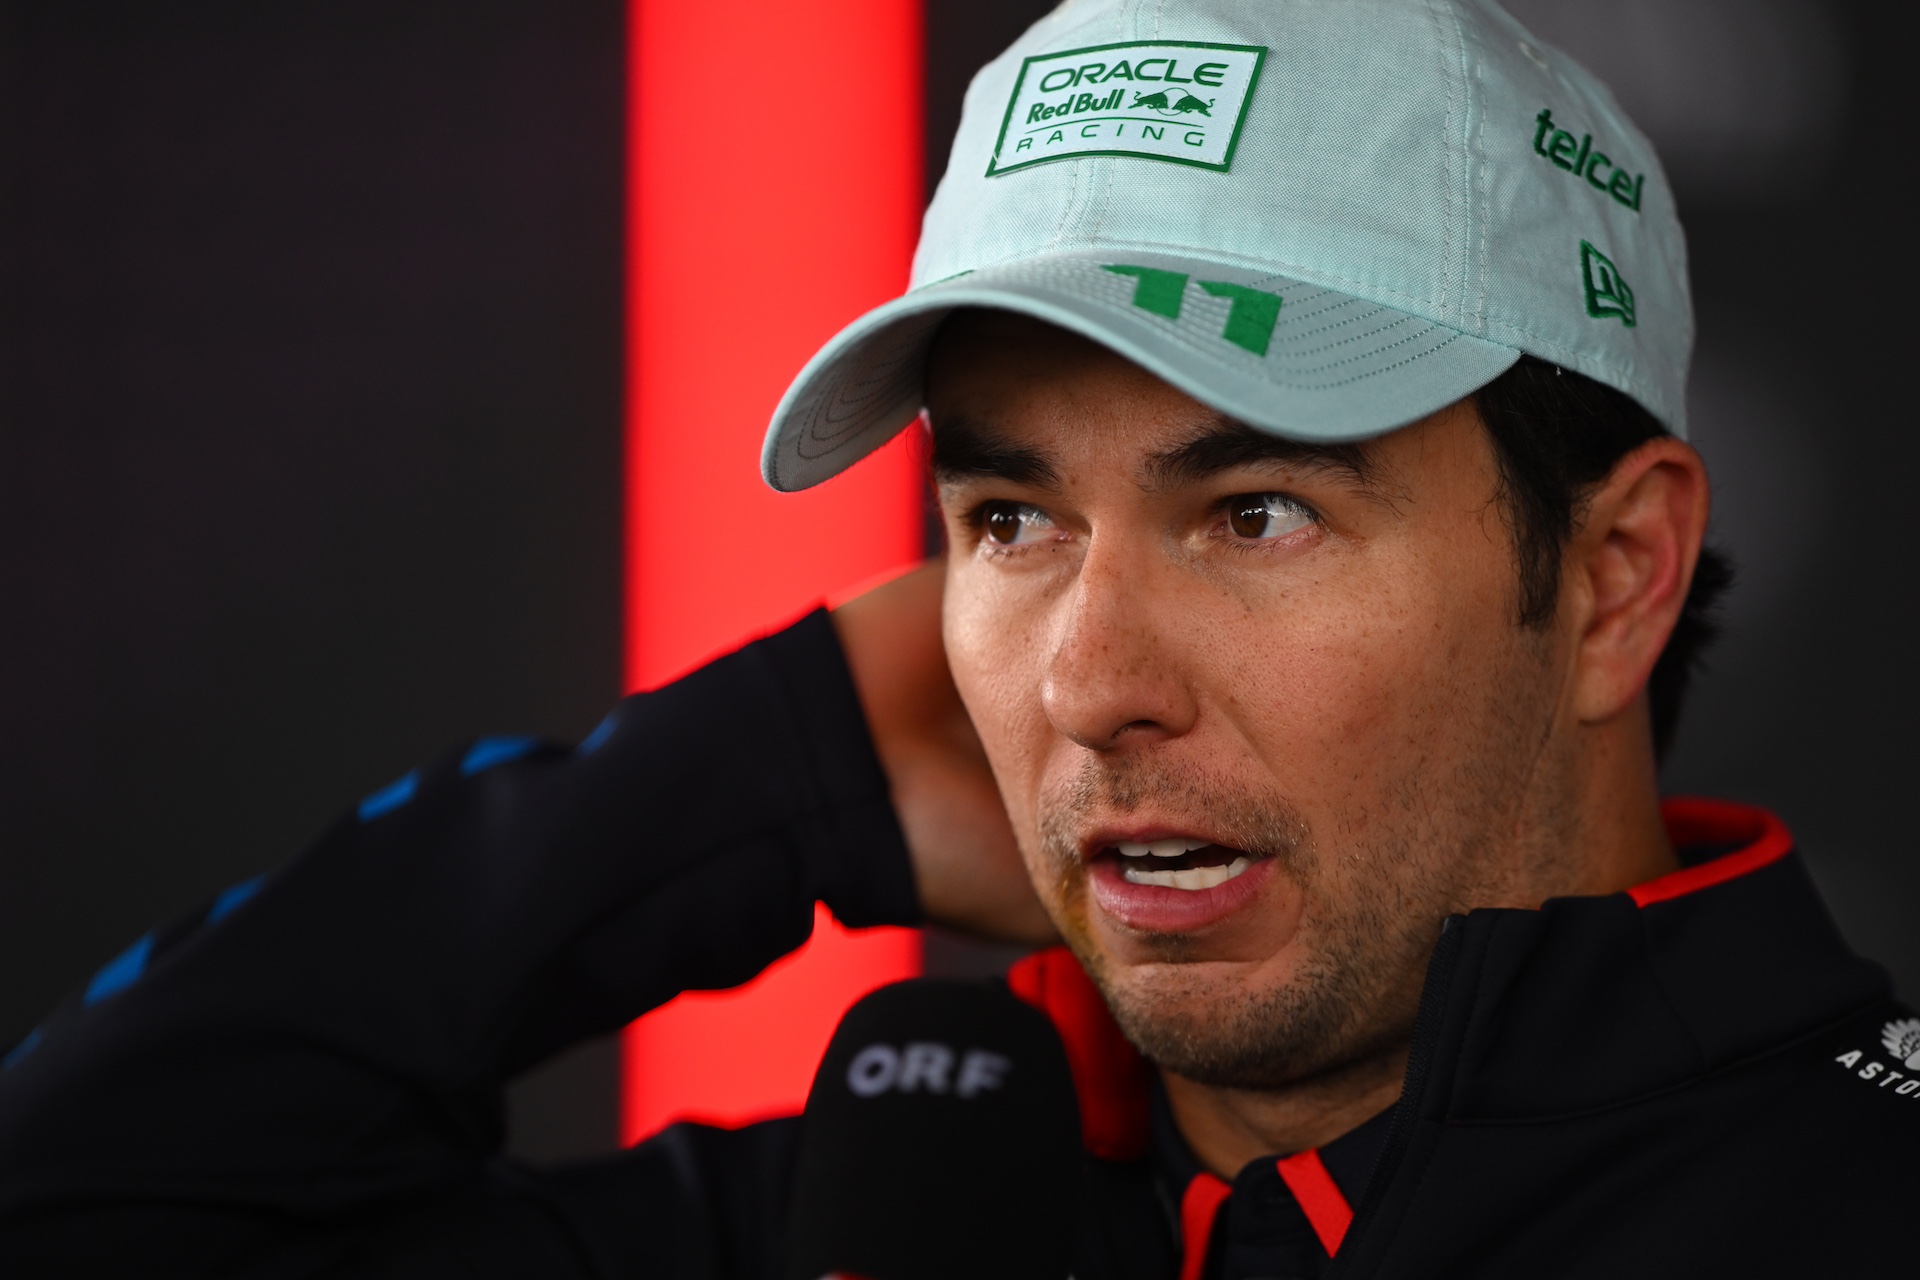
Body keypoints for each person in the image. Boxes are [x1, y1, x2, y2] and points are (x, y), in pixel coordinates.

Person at [1, 0, 1911, 1275]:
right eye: (1010, 521)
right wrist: (775, 772)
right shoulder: (916, 1191)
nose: (1085, 684)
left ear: (1612, 575)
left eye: (1255, 514)